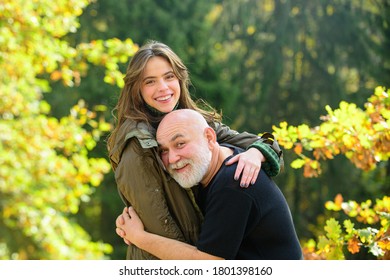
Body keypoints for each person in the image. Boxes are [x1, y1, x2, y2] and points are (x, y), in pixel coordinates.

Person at [107, 40, 284, 260]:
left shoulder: (193, 121)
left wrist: (255, 153)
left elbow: (267, 143)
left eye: (169, 77)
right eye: (150, 81)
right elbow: (162, 226)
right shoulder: (137, 145)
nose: (163, 87)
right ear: (137, 89)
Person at [116, 109, 302, 260]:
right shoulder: (217, 164)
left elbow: (208, 263)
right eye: (164, 150)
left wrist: (139, 237)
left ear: (210, 138)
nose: (172, 158)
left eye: (180, 144)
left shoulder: (234, 183)